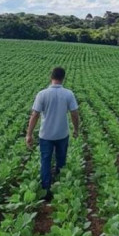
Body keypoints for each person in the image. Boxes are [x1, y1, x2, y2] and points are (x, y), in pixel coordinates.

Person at [25, 67, 80, 202]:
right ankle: (60, 189)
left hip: (46, 135)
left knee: (45, 162)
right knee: (61, 161)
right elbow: (74, 114)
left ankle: (46, 192)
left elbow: (35, 115)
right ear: (63, 78)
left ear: (51, 77)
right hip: (62, 134)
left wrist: (29, 134)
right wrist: (76, 129)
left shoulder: (42, 94)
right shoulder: (68, 94)